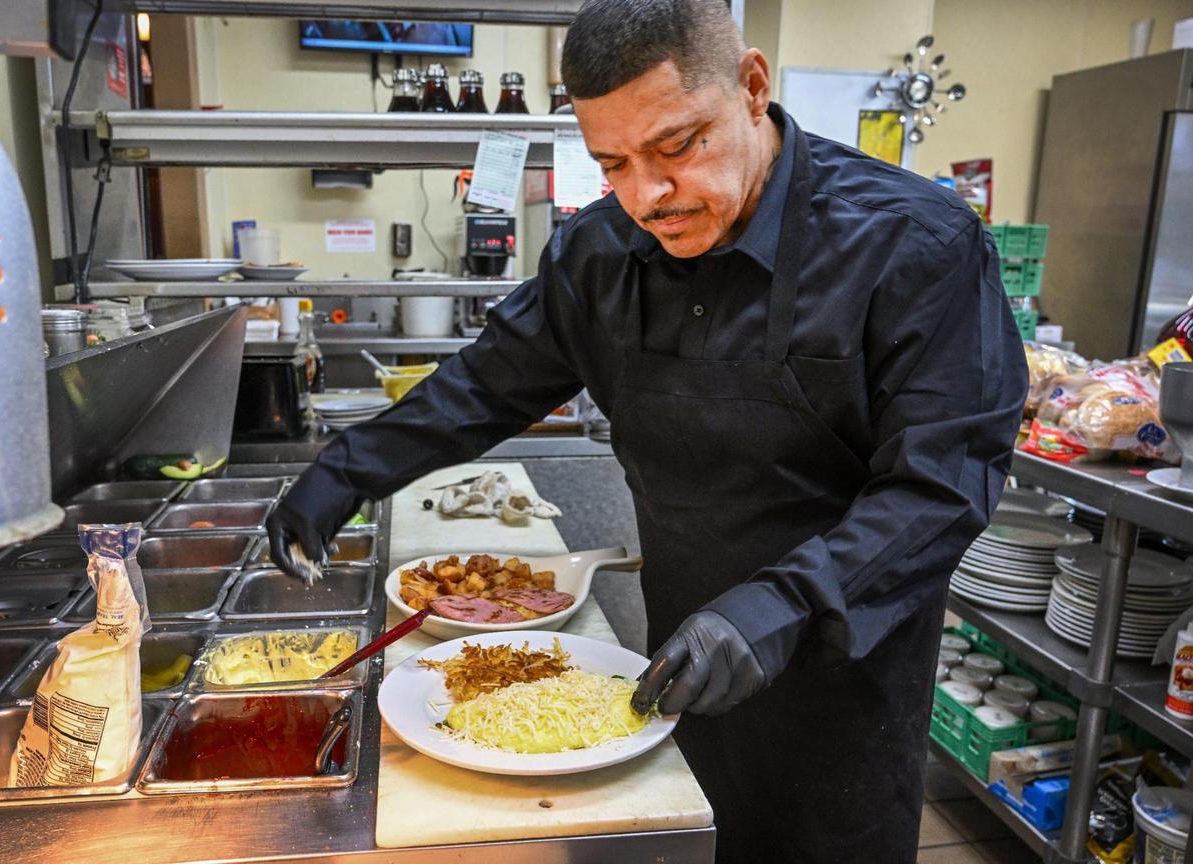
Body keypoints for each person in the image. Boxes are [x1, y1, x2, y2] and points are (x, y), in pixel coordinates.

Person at [266, 1, 1028, 860]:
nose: (648, 196)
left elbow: (941, 484)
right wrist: (345, 471)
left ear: (751, 87)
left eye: (677, 147)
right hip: (671, 667)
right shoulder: (598, 253)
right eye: (613, 164)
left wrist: (780, 605)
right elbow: (486, 384)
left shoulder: (912, 244)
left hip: (841, 687)